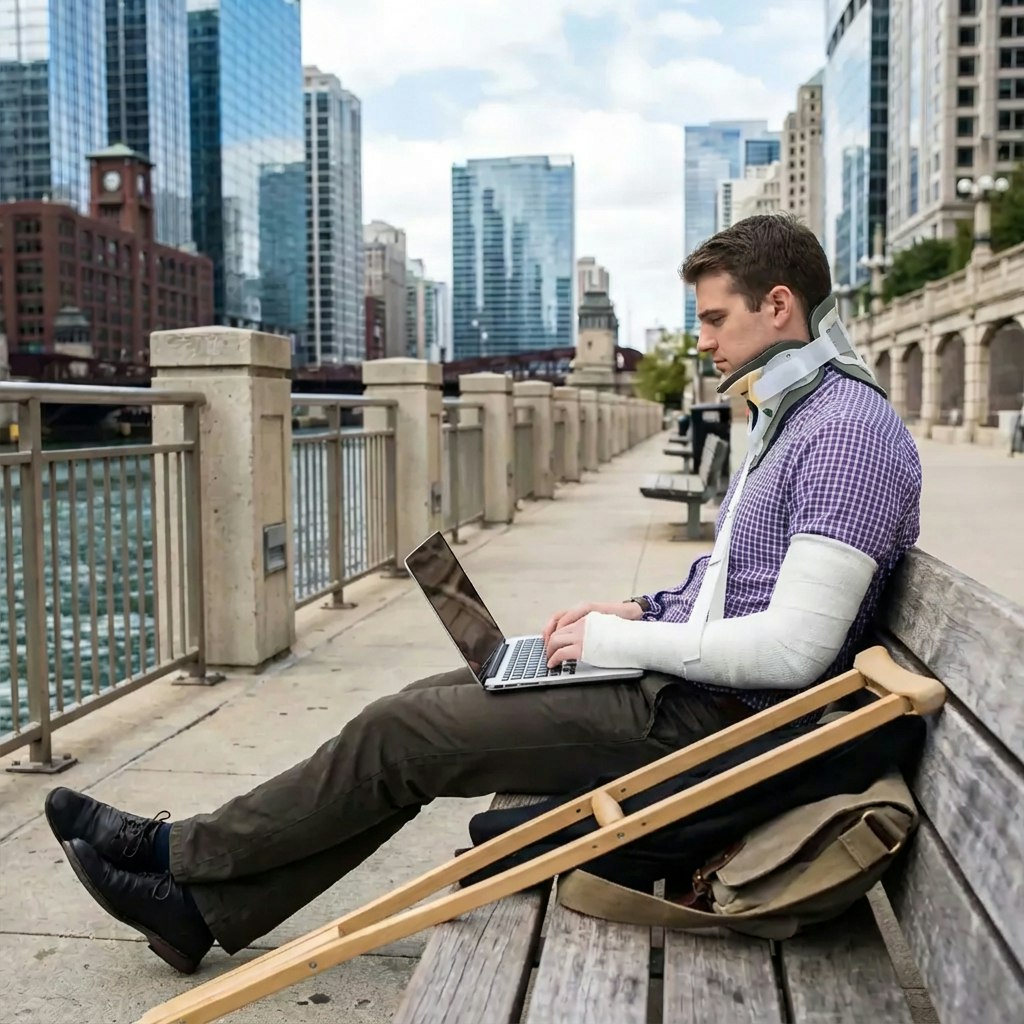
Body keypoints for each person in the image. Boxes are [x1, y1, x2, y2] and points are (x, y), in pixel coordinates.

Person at [46, 214, 922, 975]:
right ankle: (197, 910)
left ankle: (177, 854)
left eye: (716, 318)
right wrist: (639, 612)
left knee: (406, 733)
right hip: (692, 691)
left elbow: (794, 652)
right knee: (426, 701)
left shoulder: (844, 431)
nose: (703, 340)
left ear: (780, 305)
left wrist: (620, 647)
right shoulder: (799, 416)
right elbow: (739, 588)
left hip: (723, 727)